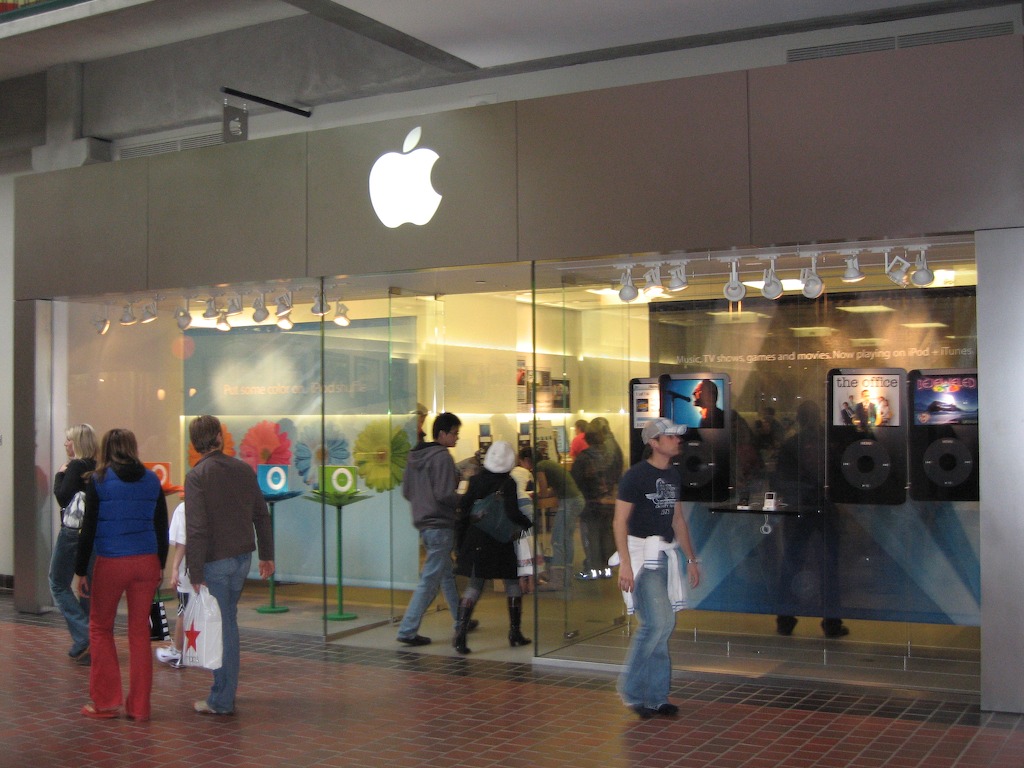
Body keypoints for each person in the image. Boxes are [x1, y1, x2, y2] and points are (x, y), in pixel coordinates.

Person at [74, 428, 168, 720]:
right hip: (146, 562)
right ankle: (140, 707)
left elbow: (88, 528)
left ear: (106, 450)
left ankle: (105, 703)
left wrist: (80, 570)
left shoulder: (99, 480)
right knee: (140, 633)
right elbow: (161, 526)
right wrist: (161, 564)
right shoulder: (152, 479)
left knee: (101, 628)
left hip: (112, 562)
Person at [185, 414, 275, 715]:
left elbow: (196, 528)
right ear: (220, 438)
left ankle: (222, 698)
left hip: (215, 561)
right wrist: (267, 555)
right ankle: (225, 691)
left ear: (194, 443)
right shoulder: (242, 469)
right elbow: (261, 515)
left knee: (223, 628)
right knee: (228, 623)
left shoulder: (197, 476)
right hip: (242, 558)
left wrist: (195, 570)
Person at [613, 418, 700, 719]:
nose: (677, 440)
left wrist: (691, 559)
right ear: (653, 442)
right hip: (642, 556)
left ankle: (655, 697)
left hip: (662, 554)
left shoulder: (672, 475)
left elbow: (677, 519)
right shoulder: (635, 476)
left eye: (677, 436)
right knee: (657, 623)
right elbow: (619, 521)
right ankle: (632, 690)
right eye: (670, 436)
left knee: (661, 626)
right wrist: (625, 563)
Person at [772, 401, 848, 638]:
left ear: (799, 418)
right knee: (829, 566)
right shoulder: (829, 445)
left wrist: (798, 495)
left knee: (792, 563)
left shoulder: (791, 444)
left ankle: (785, 619)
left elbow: (780, 479)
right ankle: (832, 622)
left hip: (800, 509)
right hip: (825, 507)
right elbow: (840, 475)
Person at [453, 441, 535, 654]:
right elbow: (512, 513)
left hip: (477, 540)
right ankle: (515, 632)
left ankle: (460, 634)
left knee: (474, 585)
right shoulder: (508, 483)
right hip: (501, 541)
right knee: (512, 583)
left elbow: (462, 512)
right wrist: (527, 524)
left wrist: (459, 545)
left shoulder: (475, 480)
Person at [396, 412, 469, 647]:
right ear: (442, 434)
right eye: (455, 433)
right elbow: (445, 494)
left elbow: (407, 491)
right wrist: (463, 499)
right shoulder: (442, 457)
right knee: (429, 581)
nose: (457, 438)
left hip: (424, 524)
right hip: (440, 524)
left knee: (445, 574)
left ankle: (461, 619)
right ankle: (407, 629)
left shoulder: (415, 456)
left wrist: (423, 502)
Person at [50, 423, 99, 666]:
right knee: (87, 588)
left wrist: (60, 474)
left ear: (77, 442)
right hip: (92, 534)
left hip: (72, 533)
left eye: (69, 440)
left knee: (58, 583)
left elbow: (62, 497)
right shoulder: (95, 467)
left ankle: (85, 634)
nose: (65, 443)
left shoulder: (75, 466)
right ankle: (90, 646)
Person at [571, 424, 618, 580]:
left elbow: (575, 480)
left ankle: (593, 569)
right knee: (607, 537)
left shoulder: (583, 458)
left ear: (586, 440)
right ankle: (607, 568)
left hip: (590, 503)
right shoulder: (610, 455)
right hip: (609, 502)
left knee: (591, 538)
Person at [534, 450, 584, 592]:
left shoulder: (539, 467)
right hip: (577, 500)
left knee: (557, 540)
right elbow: (555, 489)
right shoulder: (550, 464)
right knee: (567, 539)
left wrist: (537, 495)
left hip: (568, 502)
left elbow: (544, 490)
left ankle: (557, 581)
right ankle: (565, 579)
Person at [155, 497, 189, 669]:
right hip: (212, 566)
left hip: (189, 568)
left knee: (184, 608)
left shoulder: (184, 508)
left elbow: (182, 543)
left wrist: (174, 568)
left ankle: (178, 650)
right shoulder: (214, 503)